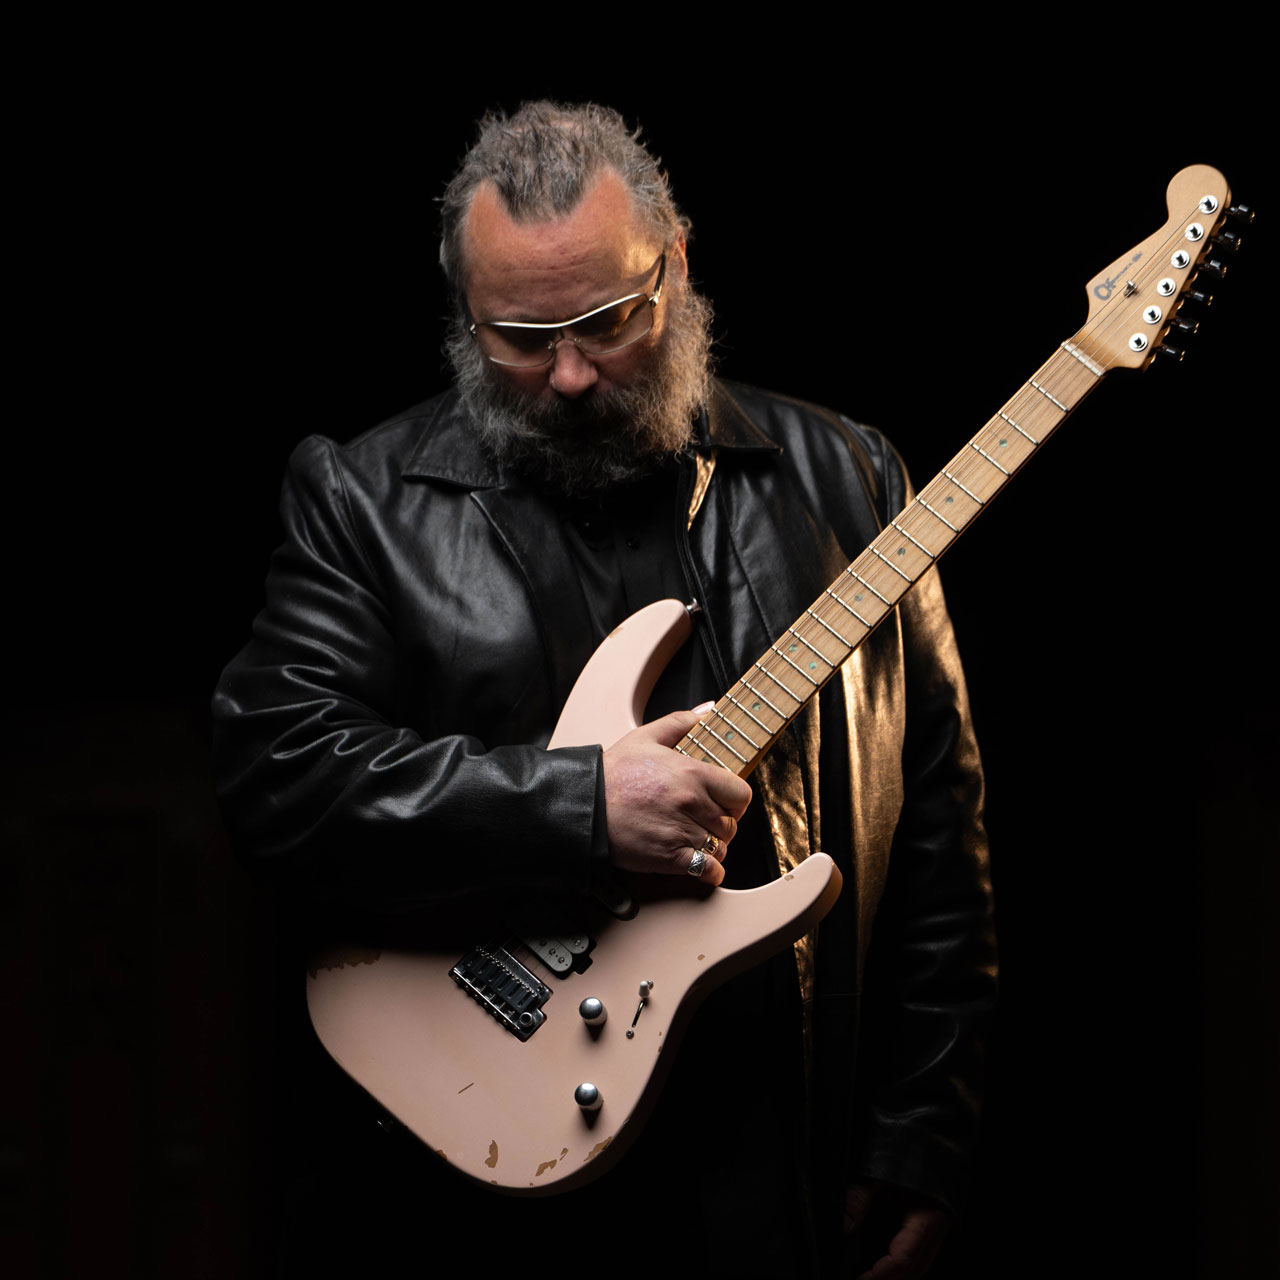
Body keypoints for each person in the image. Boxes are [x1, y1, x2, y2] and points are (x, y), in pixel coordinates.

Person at [213, 101, 996, 1279]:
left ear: (673, 264)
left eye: (605, 322)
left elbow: (938, 828)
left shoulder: (850, 478)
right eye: (520, 338)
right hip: (461, 1175)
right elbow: (277, 774)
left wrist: (921, 1127)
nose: (571, 375)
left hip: (767, 1161)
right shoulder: (361, 499)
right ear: (462, 312)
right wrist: (577, 806)